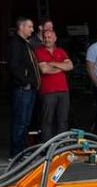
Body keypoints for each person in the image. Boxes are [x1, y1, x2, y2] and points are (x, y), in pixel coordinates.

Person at [7, 17, 40, 158]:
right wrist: (25, 81)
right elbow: (13, 66)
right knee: (20, 122)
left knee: (25, 121)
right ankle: (16, 153)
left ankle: (21, 150)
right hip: (22, 89)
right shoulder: (16, 43)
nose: (32, 30)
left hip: (29, 88)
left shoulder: (26, 43)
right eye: (30, 27)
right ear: (21, 27)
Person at [36, 27, 73, 142]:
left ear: (55, 38)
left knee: (63, 120)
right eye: (45, 37)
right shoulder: (38, 51)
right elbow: (44, 70)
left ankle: (61, 146)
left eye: (49, 37)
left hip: (63, 90)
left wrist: (52, 63)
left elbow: (70, 66)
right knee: (47, 120)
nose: (47, 40)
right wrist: (61, 67)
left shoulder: (60, 51)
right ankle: (46, 147)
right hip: (47, 91)